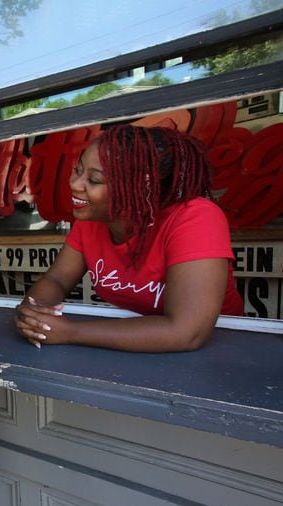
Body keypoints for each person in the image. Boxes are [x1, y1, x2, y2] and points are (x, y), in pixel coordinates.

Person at [15, 124, 244, 352]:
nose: (75, 184)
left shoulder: (195, 218)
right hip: (135, 344)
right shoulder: (91, 220)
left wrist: (70, 332)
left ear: (140, 187)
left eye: (94, 180)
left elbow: (187, 332)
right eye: (78, 170)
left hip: (223, 350)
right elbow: (57, 280)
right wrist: (35, 314)